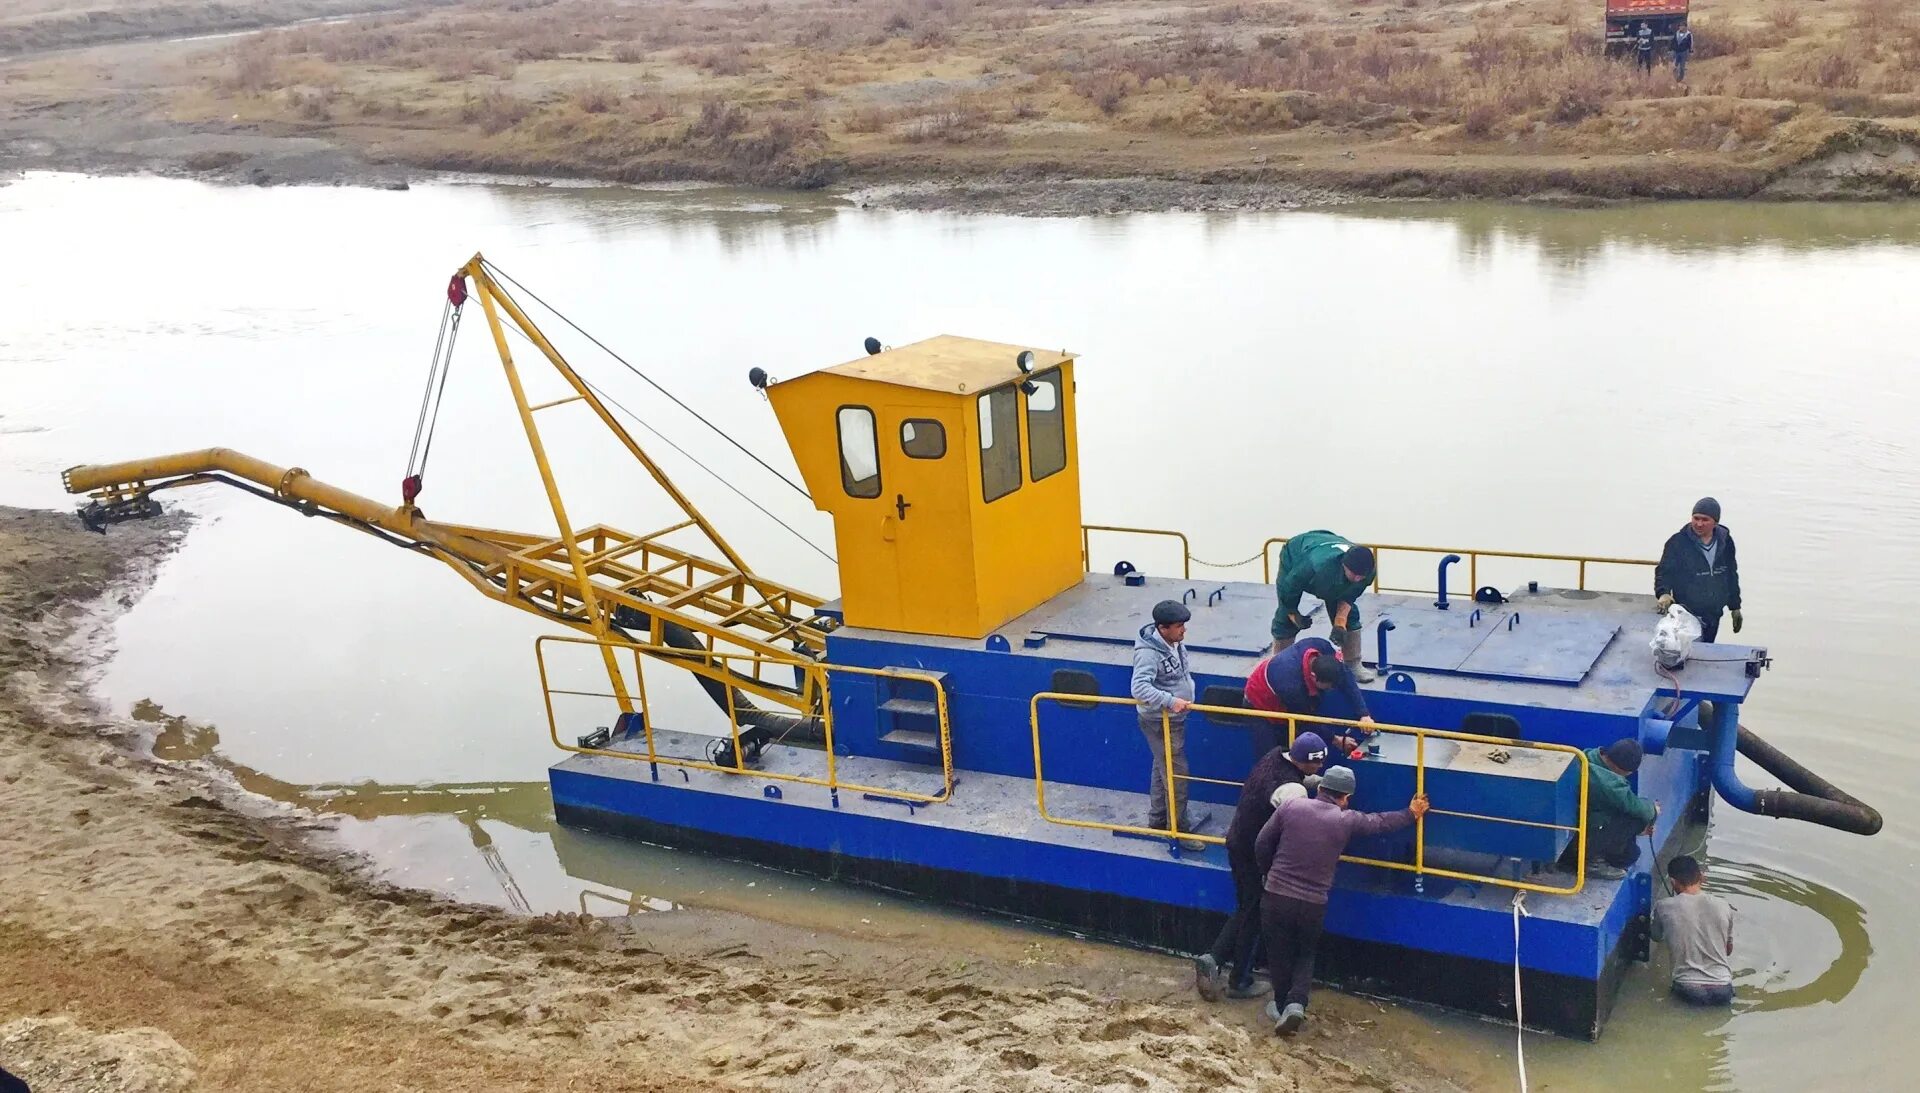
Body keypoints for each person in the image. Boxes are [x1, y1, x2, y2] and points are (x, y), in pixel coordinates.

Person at [1254, 765, 1428, 1035]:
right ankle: (1296, 1004)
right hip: (1313, 902)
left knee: (1278, 951)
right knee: (1306, 953)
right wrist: (1411, 813)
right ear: (1345, 797)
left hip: (1277, 894)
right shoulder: (1346, 819)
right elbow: (1379, 822)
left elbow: (1262, 842)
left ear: (1320, 788)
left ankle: (1279, 1004)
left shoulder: (1291, 807)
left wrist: (1269, 873)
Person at [1193, 732, 1330, 1003]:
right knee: (1252, 911)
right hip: (1254, 853)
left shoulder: (1275, 756)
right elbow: (1300, 816)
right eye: (1317, 764)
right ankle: (1224, 965)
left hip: (1237, 840)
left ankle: (1229, 970)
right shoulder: (1291, 791)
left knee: (1248, 907)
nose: (1320, 768)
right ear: (1305, 761)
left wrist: (1324, 782)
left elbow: (1293, 780)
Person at [1132, 599, 1200, 845]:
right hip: (1160, 721)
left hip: (1174, 719)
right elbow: (1138, 688)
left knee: (1161, 768)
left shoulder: (1173, 643)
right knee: (1176, 773)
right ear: (1163, 628)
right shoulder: (1148, 654)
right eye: (1179, 626)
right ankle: (1178, 830)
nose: (1184, 630)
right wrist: (1170, 701)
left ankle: (1158, 818)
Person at [1269, 531, 1377, 683]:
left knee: (1350, 616)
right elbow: (1289, 587)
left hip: (1326, 551)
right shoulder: (1315, 565)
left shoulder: (1368, 573)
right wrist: (1293, 614)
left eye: (1361, 577)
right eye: (1354, 575)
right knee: (1285, 616)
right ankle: (1279, 666)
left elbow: (1348, 597)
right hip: (1297, 555)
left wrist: (1340, 623)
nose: (1358, 579)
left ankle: (1352, 664)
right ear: (1344, 565)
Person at [1245, 636, 1377, 757]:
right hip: (1260, 704)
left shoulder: (1322, 646)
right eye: (1328, 687)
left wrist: (1363, 714)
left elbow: (1346, 677)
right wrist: (1335, 739)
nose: (1331, 690)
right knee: (1269, 758)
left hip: (1289, 691)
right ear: (1314, 677)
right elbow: (1305, 720)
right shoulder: (1291, 686)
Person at [1558, 738, 1658, 880]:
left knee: (1631, 853)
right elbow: (1640, 809)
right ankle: (1590, 863)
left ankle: (1578, 860)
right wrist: (1653, 809)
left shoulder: (1587, 756)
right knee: (1636, 820)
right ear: (1620, 769)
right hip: (1575, 840)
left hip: (1569, 832)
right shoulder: (1608, 784)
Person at [1655, 497, 1742, 643]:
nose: (1699, 524)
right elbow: (1664, 571)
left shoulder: (1726, 542)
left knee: (1706, 648)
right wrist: (1663, 593)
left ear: (1715, 521)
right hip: (1686, 610)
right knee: (1688, 649)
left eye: (1705, 520)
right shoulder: (1678, 542)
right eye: (1696, 518)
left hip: (1714, 611)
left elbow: (1731, 574)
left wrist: (1735, 606)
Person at [1651, 855, 1736, 1006]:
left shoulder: (1663, 906)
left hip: (1688, 988)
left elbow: (1656, 936)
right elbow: (1727, 950)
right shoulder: (1724, 905)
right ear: (1702, 877)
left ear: (1672, 882)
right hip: (1723, 987)